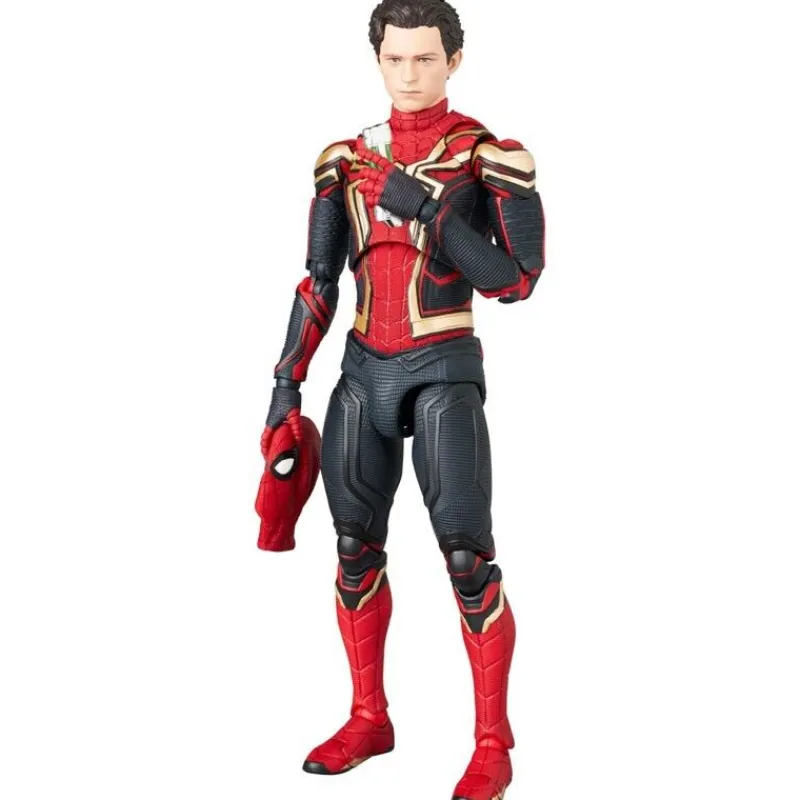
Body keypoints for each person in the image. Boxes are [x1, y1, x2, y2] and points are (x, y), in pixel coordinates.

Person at [256, 2, 545, 798]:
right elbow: (318, 281)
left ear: (454, 60)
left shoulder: (490, 156)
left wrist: (427, 210)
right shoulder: (344, 161)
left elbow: (515, 281)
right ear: (377, 60)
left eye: (425, 58)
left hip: (444, 366)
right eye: (395, 59)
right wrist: (284, 383)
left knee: (467, 559)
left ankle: (492, 742)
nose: (409, 74)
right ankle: (368, 717)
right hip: (362, 371)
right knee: (354, 548)